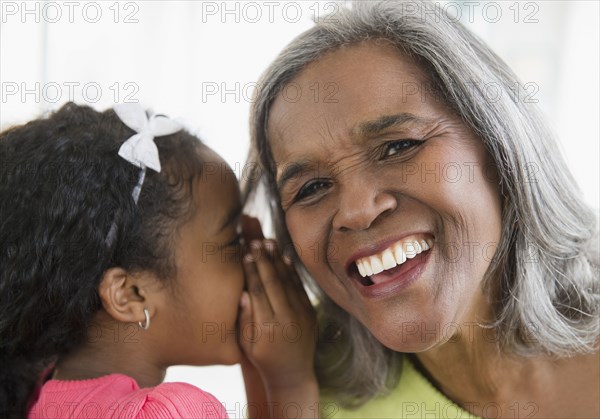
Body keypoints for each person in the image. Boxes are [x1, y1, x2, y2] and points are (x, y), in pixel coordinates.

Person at [242, 1, 599, 417]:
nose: (357, 211)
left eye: (399, 146)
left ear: (500, 146)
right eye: (312, 188)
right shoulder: (300, 381)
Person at [0, 102, 319, 418]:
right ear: (130, 294)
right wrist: (291, 384)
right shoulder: (172, 412)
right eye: (234, 243)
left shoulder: (34, 401)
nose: (258, 253)